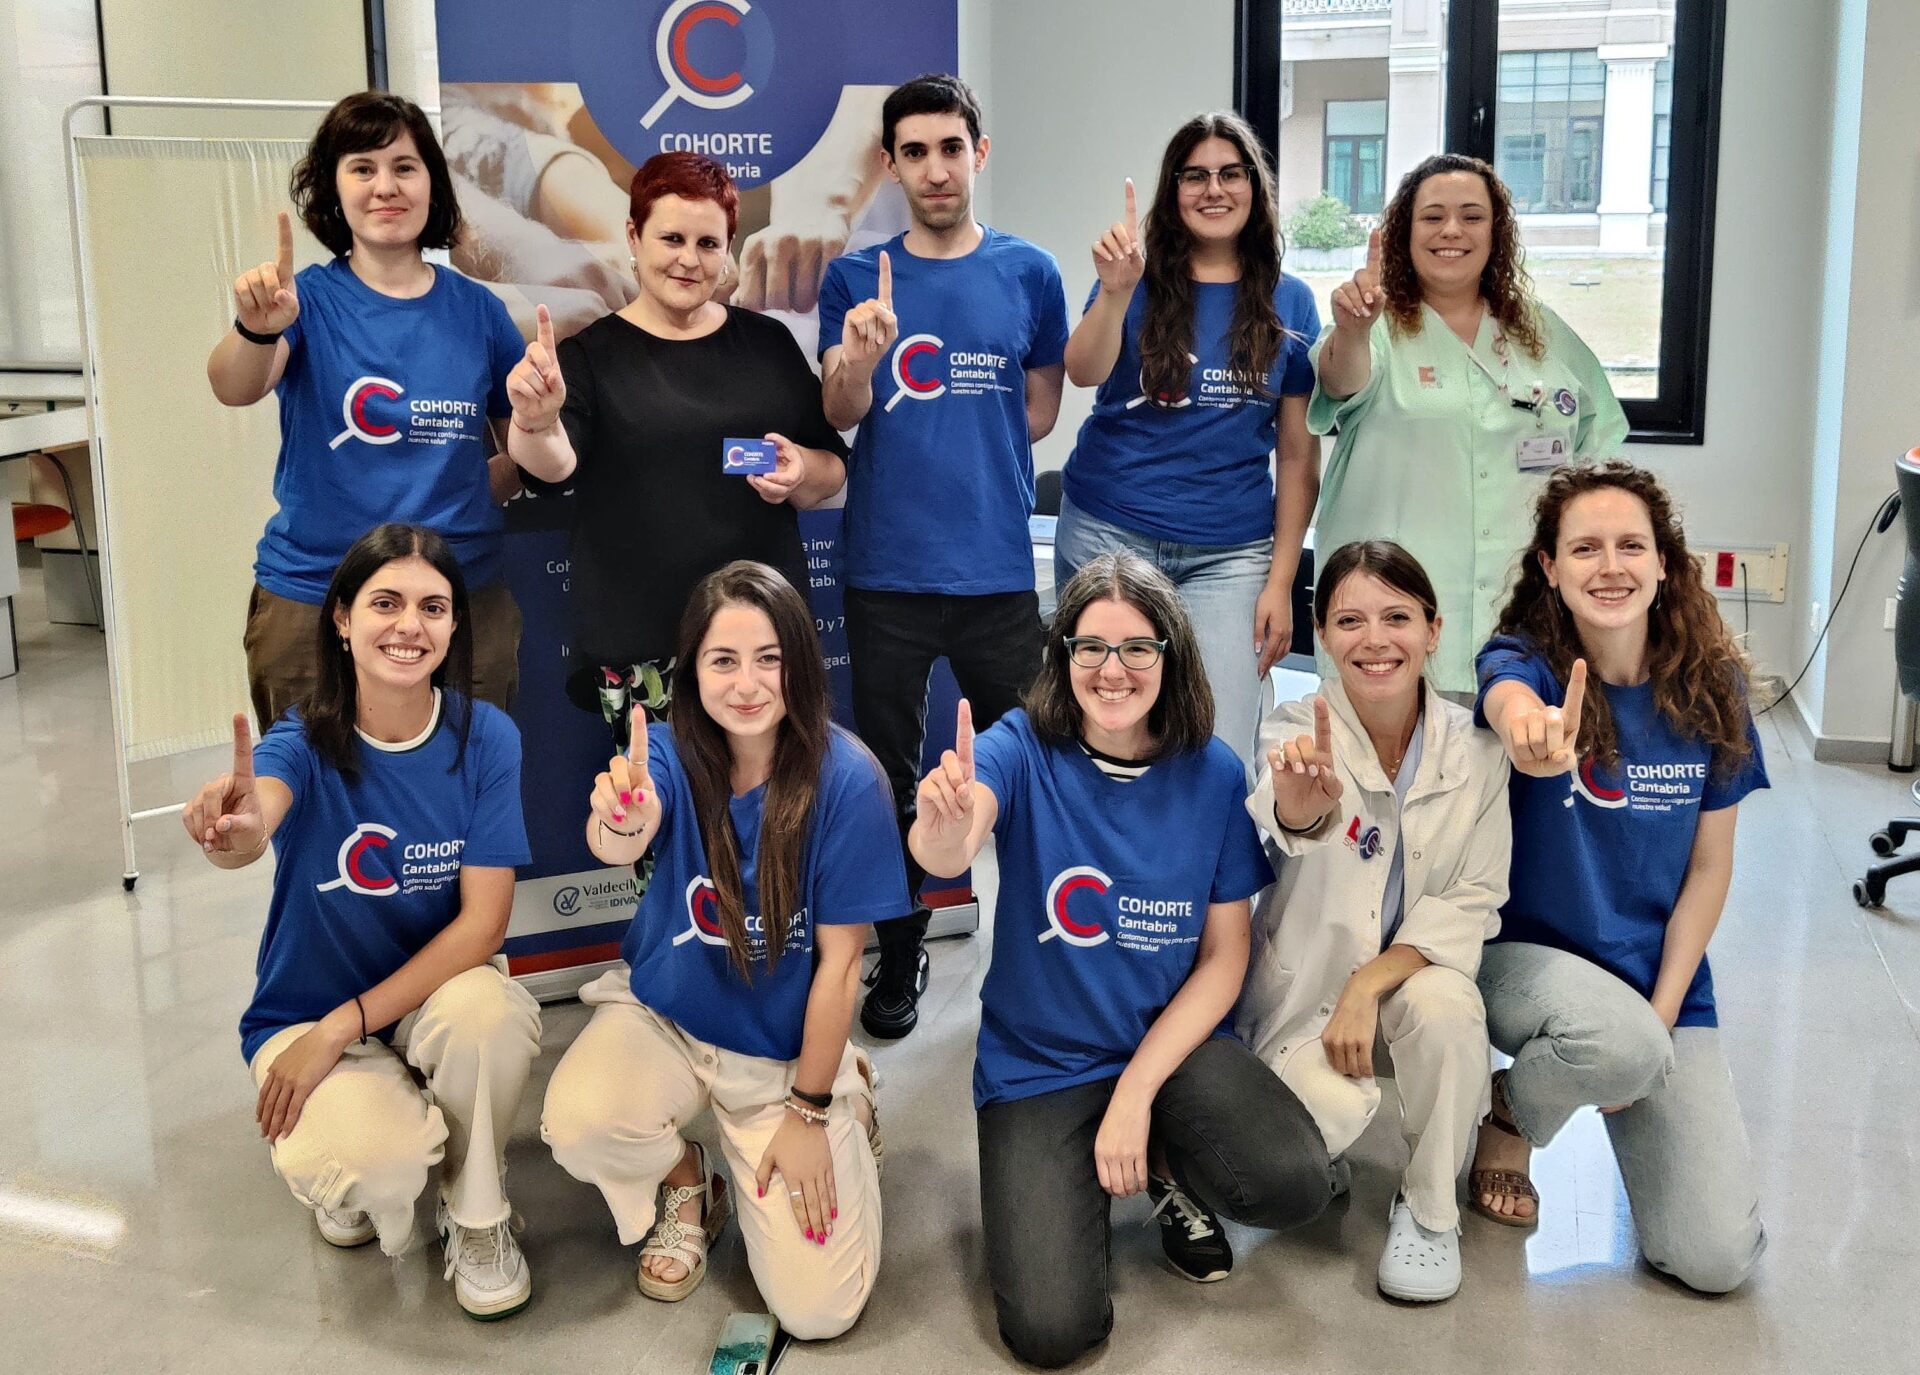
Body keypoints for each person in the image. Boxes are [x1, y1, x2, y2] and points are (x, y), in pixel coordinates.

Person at [910, 552, 1336, 1368]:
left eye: (1137, 647)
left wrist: (1137, 1092)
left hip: (1169, 1051)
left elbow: (1225, 957)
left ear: (1171, 654)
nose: (1112, 670)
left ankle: (1166, 1163)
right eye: (1090, 647)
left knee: (1292, 1179)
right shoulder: (1020, 746)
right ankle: (1077, 1177)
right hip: (1042, 1064)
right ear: (1062, 654)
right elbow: (952, 841)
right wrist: (942, 830)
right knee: (1052, 1331)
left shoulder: (1213, 772)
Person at [182, 523, 541, 1320]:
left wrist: (346, 1025)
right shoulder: (300, 741)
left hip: (419, 1002)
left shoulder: (488, 737)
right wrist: (235, 833)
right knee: (376, 1168)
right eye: (386, 603)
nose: (410, 625)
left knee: (491, 1014)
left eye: (432, 607)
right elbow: (254, 822)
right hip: (304, 1013)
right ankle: (365, 1143)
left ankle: (478, 1210)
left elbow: (483, 927)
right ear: (342, 618)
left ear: (454, 625)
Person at [541, 562, 906, 1339]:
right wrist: (619, 818)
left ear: (800, 661)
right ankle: (689, 1182)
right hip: (668, 1017)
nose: (746, 683)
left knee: (818, 1311)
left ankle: (848, 1096)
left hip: (779, 1054)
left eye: (769, 658)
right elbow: (623, 828)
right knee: (579, 1122)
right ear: (691, 669)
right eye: (723, 660)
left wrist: (809, 1112)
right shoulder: (669, 751)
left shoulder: (849, 780)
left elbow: (842, 965)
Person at [1470, 462, 1768, 1294]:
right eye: (1585, 548)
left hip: (1654, 979)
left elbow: (1709, 868)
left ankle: (1587, 1066)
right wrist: (1531, 733)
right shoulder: (1525, 662)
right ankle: (1511, 1116)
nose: (1611, 566)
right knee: (1623, 1044)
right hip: (1524, 962)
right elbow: (1507, 702)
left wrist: (1659, 1021)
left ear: (1664, 563)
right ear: (1550, 567)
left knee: (1716, 1258)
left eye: (1631, 545)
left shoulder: (1712, 689)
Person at [818, 73, 1071, 1040]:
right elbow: (839, 413)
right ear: (891, 164)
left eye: (950, 148)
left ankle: (1045, 953)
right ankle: (902, 949)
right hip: (885, 573)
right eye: (914, 152)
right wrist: (861, 360)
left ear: (979, 153)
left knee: (1037, 765)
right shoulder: (855, 279)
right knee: (885, 780)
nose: (935, 169)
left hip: (997, 572)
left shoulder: (1030, 273)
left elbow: (1037, 413)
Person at [1237, 540, 1509, 1303]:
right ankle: (1322, 1154)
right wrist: (1303, 807)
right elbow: (1284, 819)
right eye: (1350, 620)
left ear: (1433, 629)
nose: (1375, 638)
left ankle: (1429, 1210)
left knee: (1449, 1008)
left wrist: (1369, 985)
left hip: (1407, 986)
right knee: (1292, 1161)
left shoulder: (1479, 751)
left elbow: (1475, 895)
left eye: (1397, 616)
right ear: (1323, 635)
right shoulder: (1292, 730)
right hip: (1308, 1001)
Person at [207, 92, 528, 728]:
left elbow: (524, 452)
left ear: (433, 185)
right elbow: (234, 386)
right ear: (335, 187)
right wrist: (255, 329)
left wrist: (460, 493)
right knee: (309, 781)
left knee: (461, 782)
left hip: (459, 597)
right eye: (362, 168)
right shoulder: (305, 302)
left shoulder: (480, 313)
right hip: (317, 595)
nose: (386, 187)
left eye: (405, 167)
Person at [507, 152, 848, 747]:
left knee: (778, 802)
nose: (689, 259)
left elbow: (832, 467)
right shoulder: (590, 356)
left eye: (708, 243)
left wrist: (799, 472)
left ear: (727, 251)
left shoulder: (768, 345)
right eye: (671, 238)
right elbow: (554, 470)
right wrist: (535, 423)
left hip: (764, 646)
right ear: (633, 237)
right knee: (660, 804)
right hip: (644, 650)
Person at [1057, 111, 1320, 771]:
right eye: (1195, 175)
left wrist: (1282, 581)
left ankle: (1212, 849)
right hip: (1109, 532)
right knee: (1109, 734)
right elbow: (1082, 370)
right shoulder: (1133, 280)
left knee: (1222, 747)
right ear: (1172, 190)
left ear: (1255, 187)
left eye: (1231, 174)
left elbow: (1296, 456)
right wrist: (1115, 293)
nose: (1214, 189)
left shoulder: (1290, 301)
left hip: (1230, 554)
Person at [1310, 153, 1629, 697]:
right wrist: (1354, 330)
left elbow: (1597, 457)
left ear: (1495, 232)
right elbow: (1341, 381)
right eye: (1432, 217)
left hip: (1517, 612)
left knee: (1512, 743)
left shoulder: (1541, 333)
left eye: (1472, 216)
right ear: (1405, 233)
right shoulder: (1375, 326)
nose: (1452, 230)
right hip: (1391, 615)